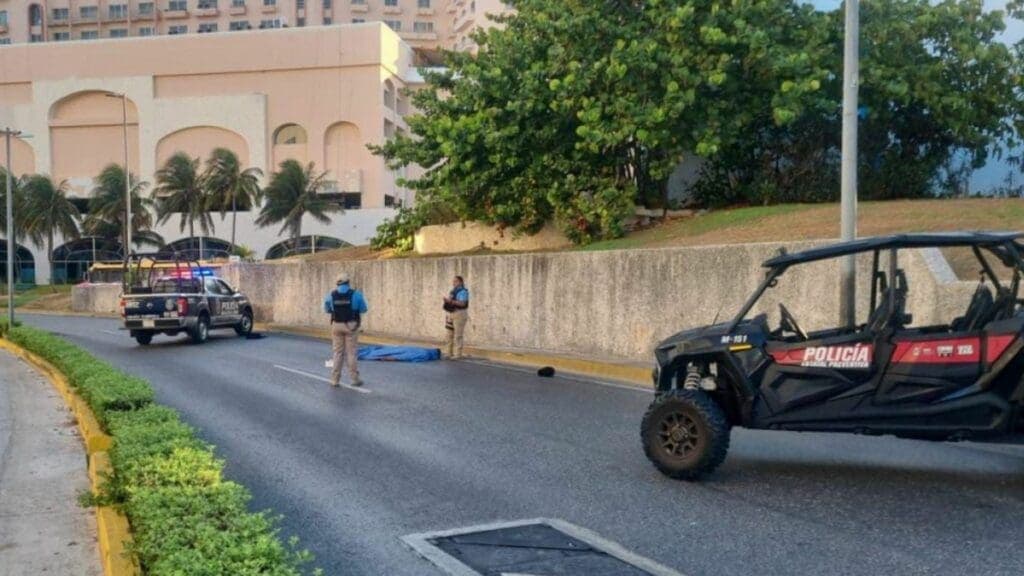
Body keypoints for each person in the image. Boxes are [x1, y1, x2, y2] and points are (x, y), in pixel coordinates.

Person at [323, 272, 368, 387]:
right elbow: (364, 309)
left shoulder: (331, 295)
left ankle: (335, 380)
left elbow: (326, 309)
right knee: (351, 353)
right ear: (348, 282)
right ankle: (354, 379)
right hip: (351, 326)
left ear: (337, 283)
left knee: (338, 353)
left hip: (336, 325)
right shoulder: (356, 294)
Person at [443, 275, 470, 359]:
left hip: (459, 313)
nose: (453, 283)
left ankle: (458, 354)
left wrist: (451, 301)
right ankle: (448, 353)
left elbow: (462, 303)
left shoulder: (463, 292)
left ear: (461, 282)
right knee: (449, 334)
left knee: (458, 335)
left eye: (456, 281)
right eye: (453, 281)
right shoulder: (453, 291)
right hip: (451, 313)